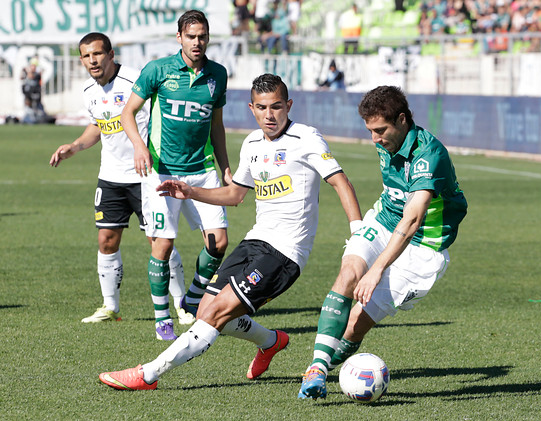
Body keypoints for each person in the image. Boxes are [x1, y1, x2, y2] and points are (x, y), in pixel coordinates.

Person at [98, 73, 362, 390]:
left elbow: (340, 181)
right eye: (262, 107)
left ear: (288, 105)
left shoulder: (306, 138)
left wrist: (357, 231)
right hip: (253, 242)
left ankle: (149, 373)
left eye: (277, 106)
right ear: (252, 108)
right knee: (205, 309)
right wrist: (190, 192)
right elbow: (235, 194)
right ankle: (271, 341)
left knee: (216, 312)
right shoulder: (251, 143)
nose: (270, 115)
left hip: (285, 253)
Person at [298, 85, 468, 399]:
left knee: (355, 323)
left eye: (380, 130)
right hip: (384, 220)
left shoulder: (428, 154)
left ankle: (337, 362)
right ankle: (317, 370)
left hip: (423, 245)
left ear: (402, 119)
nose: (375, 138)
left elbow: (414, 218)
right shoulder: (385, 140)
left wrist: (377, 270)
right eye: (370, 131)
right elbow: (399, 212)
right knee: (348, 274)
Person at [49, 32, 192, 327]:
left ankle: (182, 304)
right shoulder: (89, 90)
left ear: (111, 54)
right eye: (87, 56)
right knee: (106, 239)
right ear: (81, 61)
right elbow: (97, 126)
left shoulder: (136, 81)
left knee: (159, 241)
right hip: (110, 177)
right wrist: (74, 146)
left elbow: (161, 113)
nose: (93, 60)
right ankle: (110, 306)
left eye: (98, 54)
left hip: (146, 175)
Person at [120, 10, 233, 340]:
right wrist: (140, 148)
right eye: (191, 36)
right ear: (179, 38)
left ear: (208, 38)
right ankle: (162, 317)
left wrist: (225, 167)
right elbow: (128, 112)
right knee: (164, 245)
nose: (197, 42)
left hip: (203, 171)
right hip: (161, 172)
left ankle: (193, 297)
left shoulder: (218, 75)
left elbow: (217, 126)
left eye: (203, 36)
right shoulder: (158, 70)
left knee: (219, 243)